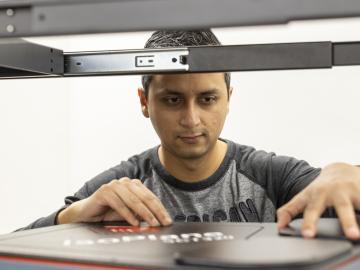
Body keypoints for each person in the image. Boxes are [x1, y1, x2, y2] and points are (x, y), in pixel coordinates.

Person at [17, 30, 360, 241]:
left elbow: (338, 193)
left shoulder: (273, 176)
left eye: (207, 99)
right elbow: (15, 247)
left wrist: (348, 173)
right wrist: (71, 216)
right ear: (144, 102)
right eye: (172, 100)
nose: (191, 119)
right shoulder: (122, 188)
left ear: (229, 99)